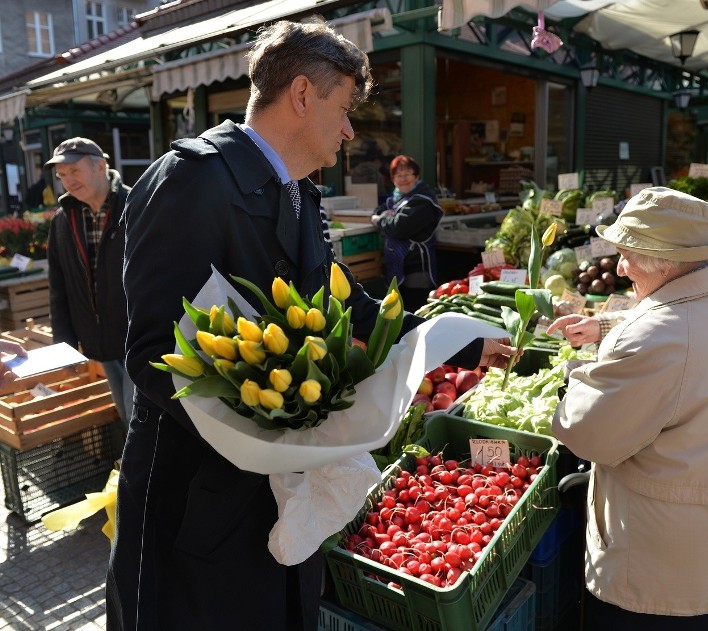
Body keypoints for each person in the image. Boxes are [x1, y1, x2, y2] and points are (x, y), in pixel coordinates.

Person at [110, 18, 514, 631]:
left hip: (273, 485)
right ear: (302, 94)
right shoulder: (191, 180)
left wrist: (461, 347)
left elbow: (346, 302)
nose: (351, 130)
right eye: (345, 108)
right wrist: (272, 423)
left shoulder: (297, 192)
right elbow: (149, 353)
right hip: (194, 495)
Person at [546, 187, 708, 630]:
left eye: (626, 254)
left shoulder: (658, 338)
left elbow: (589, 434)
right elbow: (690, 329)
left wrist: (573, 380)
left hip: (670, 569)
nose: (619, 267)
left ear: (664, 260)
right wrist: (604, 326)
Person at [44, 137, 134, 429]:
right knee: (126, 417)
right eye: (62, 176)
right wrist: (65, 348)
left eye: (74, 171)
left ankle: (143, 473)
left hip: (139, 339)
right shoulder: (63, 220)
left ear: (101, 166)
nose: (68, 181)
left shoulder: (136, 205)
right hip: (98, 342)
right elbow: (59, 289)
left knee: (140, 422)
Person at [370, 155, 443, 310]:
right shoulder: (397, 199)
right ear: (393, 179)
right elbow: (380, 209)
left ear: (416, 176)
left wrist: (379, 220)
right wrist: (382, 215)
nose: (403, 179)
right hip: (397, 267)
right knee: (399, 312)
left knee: (417, 311)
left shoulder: (423, 201)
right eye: (398, 175)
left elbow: (398, 227)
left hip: (417, 269)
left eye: (407, 174)